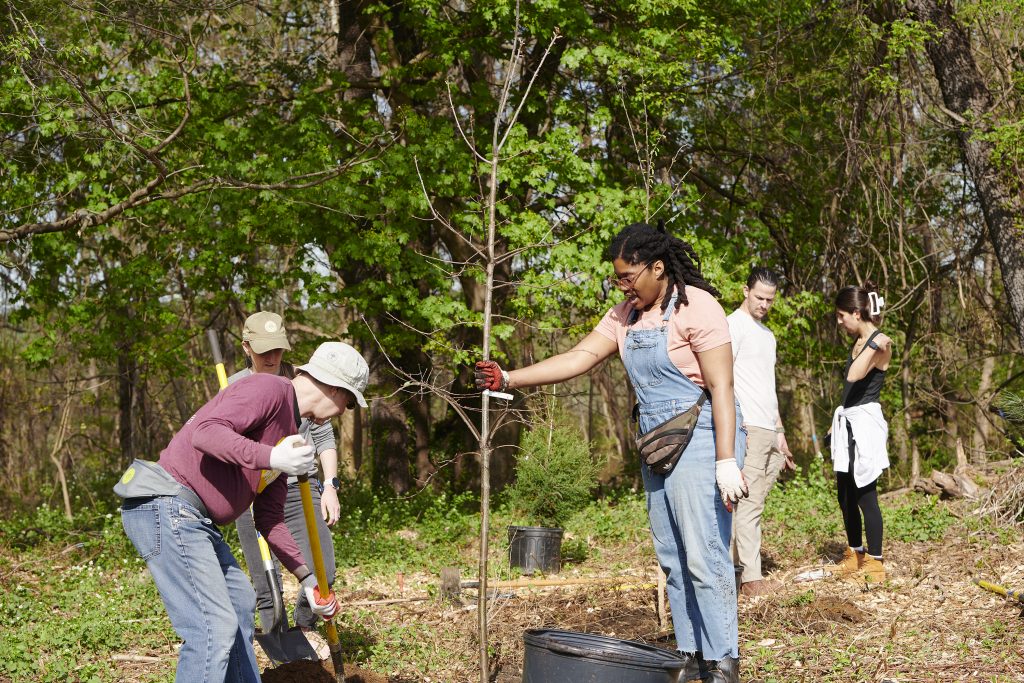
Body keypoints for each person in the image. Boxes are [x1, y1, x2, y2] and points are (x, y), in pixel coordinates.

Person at [475, 221, 748, 683]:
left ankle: (722, 662)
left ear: (657, 268)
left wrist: (726, 460)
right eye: (617, 279)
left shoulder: (697, 307)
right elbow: (579, 357)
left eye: (628, 277)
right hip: (656, 443)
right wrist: (510, 378)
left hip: (702, 436)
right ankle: (690, 656)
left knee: (704, 555)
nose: (621, 286)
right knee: (673, 557)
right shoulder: (625, 314)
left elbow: (722, 386)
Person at [116, 340, 369, 682]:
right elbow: (206, 434)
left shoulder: (289, 433)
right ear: (334, 386)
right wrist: (271, 457)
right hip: (168, 505)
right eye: (349, 402)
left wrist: (307, 581)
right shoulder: (268, 389)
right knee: (213, 627)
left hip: (197, 521)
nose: (343, 412)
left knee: (239, 601)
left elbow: (270, 519)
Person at [229, 312, 344, 634]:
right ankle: (282, 658)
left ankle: (304, 631)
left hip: (298, 487)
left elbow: (323, 436)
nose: (272, 358)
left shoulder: (302, 383)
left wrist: (331, 486)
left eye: (278, 349)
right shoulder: (237, 386)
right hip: (247, 490)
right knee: (266, 587)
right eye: (263, 350)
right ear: (246, 347)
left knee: (323, 573)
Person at [727, 267, 796, 598]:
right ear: (745, 290)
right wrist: (732, 420)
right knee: (746, 504)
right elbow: (722, 378)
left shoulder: (768, 336)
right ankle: (751, 579)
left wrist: (780, 430)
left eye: (770, 299)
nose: (764, 304)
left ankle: (736, 571)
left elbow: (769, 388)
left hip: (769, 428)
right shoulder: (732, 326)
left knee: (755, 503)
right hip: (747, 426)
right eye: (759, 297)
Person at [828, 283, 891, 583]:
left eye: (842, 316)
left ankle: (876, 564)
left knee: (865, 493)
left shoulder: (881, 343)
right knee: (845, 494)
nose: (839, 322)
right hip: (847, 423)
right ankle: (856, 554)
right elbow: (849, 387)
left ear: (856, 312)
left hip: (865, 425)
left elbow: (855, 374)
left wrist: (875, 342)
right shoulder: (863, 341)